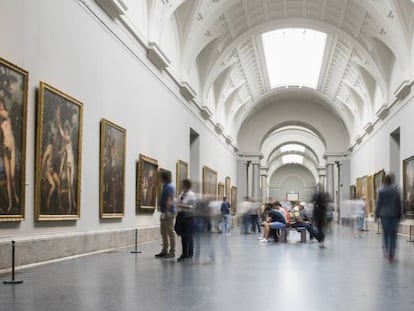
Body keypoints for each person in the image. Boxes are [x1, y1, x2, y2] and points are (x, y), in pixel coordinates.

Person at [375, 174, 401, 262]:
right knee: (393, 234)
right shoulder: (395, 190)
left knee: (386, 233)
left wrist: (376, 214)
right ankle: (392, 252)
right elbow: (399, 203)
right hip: (394, 215)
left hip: (384, 215)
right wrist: (400, 214)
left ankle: (386, 249)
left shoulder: (381, 190)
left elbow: (379, 203)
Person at [0, 98, 18, 212]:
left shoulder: (5, 113)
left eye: (0, 103)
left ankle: (15, 195)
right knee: (7, 177)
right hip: (5, 147)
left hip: (12, 147)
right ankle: (11, 203)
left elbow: (4, 114)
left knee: (12, 176)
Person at [155, 171, 176, 258]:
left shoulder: (170, 187)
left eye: (160, 177)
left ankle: (172, 251)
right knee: (163, 232)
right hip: (164, 212)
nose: (159, 178)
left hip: (169, 212)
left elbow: (169, 199)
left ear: (163, 177)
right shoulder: (164, 186)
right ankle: (164, 250)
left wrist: (167, 211)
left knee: (170, 232)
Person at [176, 179, 196, 261]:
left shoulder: (191, 195)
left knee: (188, 236)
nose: (181, 186)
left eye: (182, 184)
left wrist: (182, 205)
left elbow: (191, 206)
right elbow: (179, 203)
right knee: (183, 236)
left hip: (189, 216)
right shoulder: (182, 194)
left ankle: (189, 254)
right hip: (181, 215)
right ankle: (184, 254)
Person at [41, 133, 62, 212]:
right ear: (52, 139)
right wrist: (42, 172)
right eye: (55, 138)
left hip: (53, 171)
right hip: (48, 171)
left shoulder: (54, 148)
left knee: (59, 183)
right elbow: (43, 159)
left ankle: (60, 204)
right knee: (53, 186)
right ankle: (48, 203)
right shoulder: (49, 148)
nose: (56, 140)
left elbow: (58, 154)